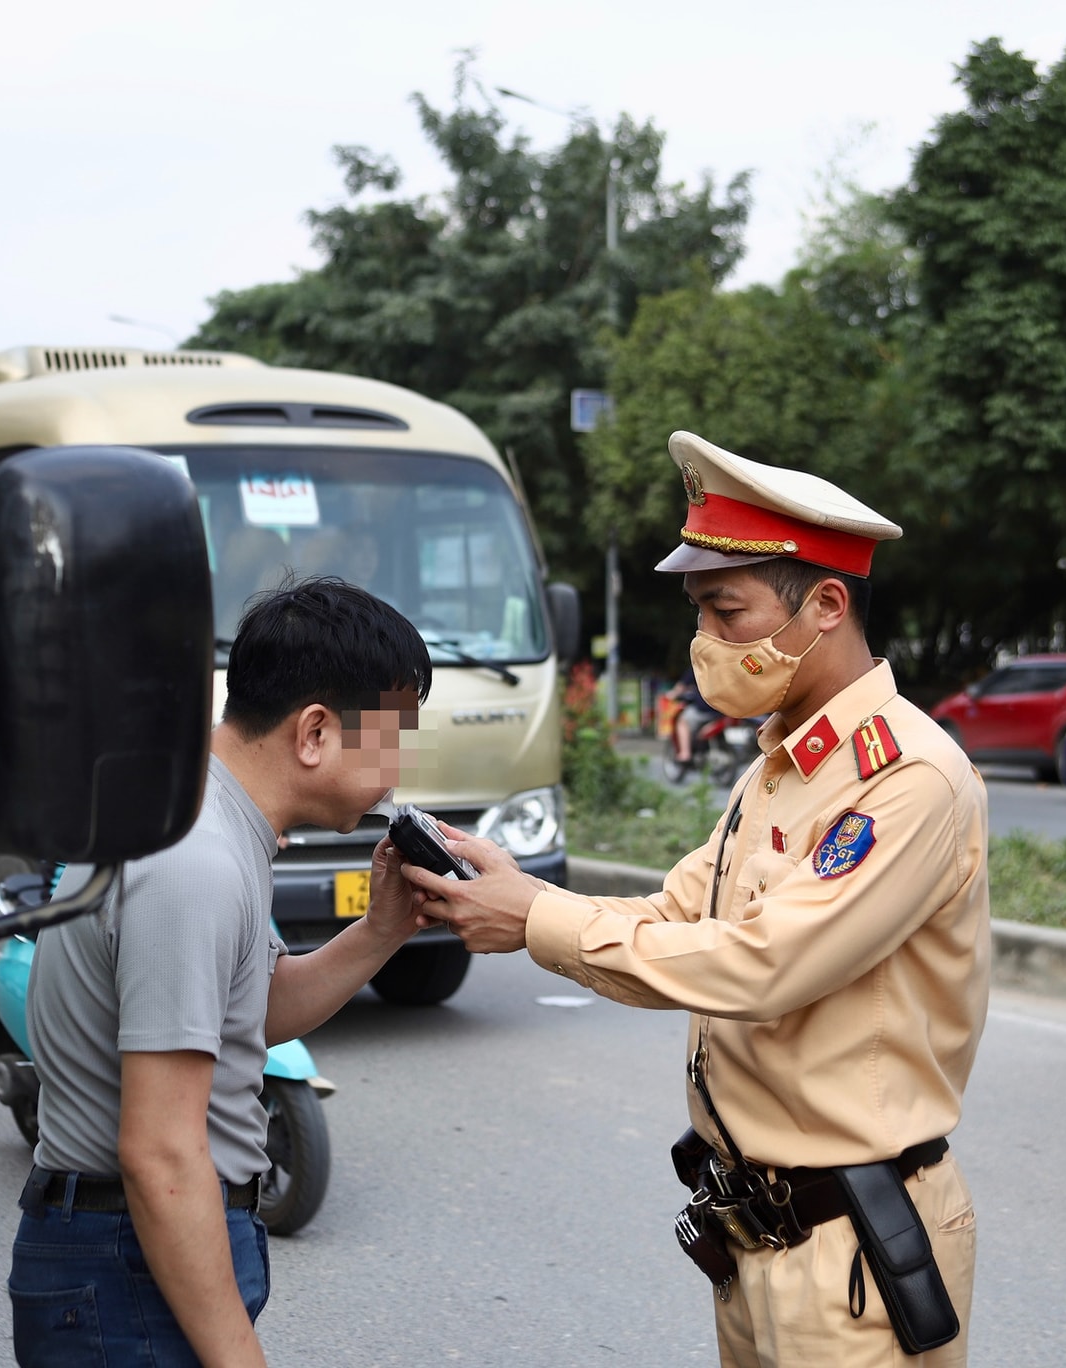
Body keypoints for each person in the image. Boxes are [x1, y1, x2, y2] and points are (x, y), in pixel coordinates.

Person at [403, 431, 988, 1367]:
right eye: (700, 614)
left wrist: (539, 922)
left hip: (852, 1257)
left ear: (826, 605)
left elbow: (765, 964)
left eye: (727, 612)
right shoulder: (781, 765)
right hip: (757, 1242)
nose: (705, 643)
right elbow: (679, 920)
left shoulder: (907, 778)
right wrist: (521, 896)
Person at [12, 577, 433, 1368]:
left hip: (135, 1248)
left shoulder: (201, 815)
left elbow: (250, 1013)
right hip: (127, 1258)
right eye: (395, 736)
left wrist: (382, 929)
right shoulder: (193, 861)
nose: (398, 771)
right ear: (314, 731)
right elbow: (161, 1151)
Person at [666, 667, 720, 764]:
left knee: (683, 721)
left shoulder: (699, 665)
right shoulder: (725, 664)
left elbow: (681, 687)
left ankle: (685, 753)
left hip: (705, 710)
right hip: (725, 710)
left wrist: (671, 694)